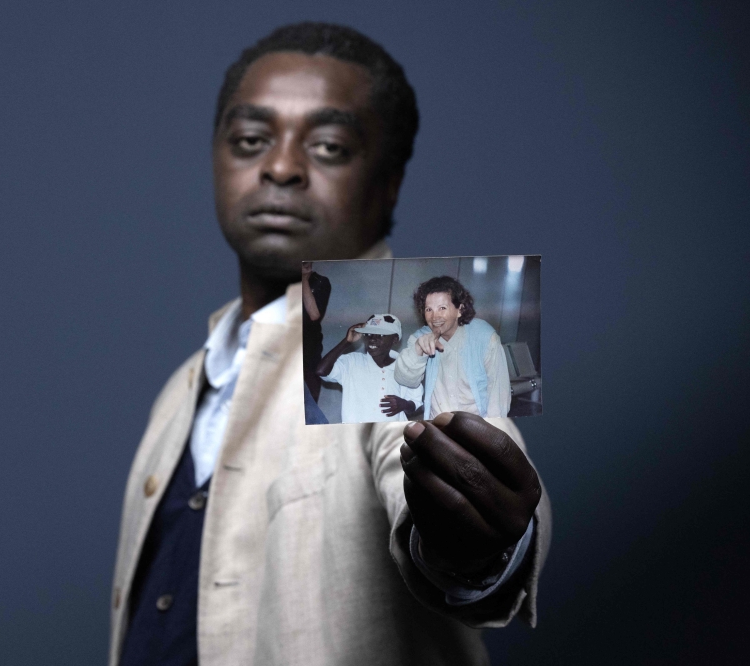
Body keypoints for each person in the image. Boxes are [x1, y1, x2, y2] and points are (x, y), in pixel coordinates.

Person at [110, 22, 550, 666]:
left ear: (389, 181)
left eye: (329, 147)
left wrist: (476, 545)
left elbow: (451, 451)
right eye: (251, 140)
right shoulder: (179, 393)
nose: (281, 167)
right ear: (216, 156)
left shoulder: (407, 342)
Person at [395, 276, 512, 420]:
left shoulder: (484, 337)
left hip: (476, 427)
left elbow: (499, 396)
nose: (434, 317)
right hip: (437, 426)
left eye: (442, 308)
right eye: (428, 309)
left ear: (460, 310)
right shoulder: (421, 338)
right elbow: (405, 380)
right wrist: (419, 350)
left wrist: (488, 435)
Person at [315, 313, 423, 423]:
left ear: (395, 339)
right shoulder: (352, 361)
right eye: (369, 334)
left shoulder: (406, 366)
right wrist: (346, 341)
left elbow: (416, 404)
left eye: (380, 335)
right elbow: (321, 371)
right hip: (356, 434)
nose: (372, 339)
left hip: (391, 434)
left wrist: (404, 404)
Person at [301, 260, 331, 403]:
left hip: (309, 348)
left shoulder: (320, 282)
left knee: (310, 397)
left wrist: (304, 280)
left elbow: (314, 314)